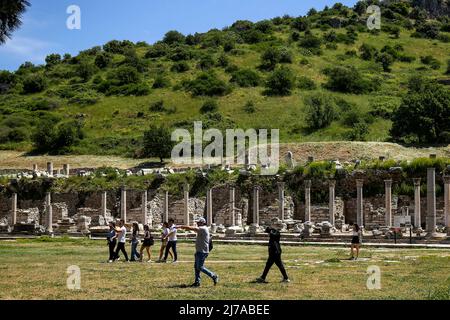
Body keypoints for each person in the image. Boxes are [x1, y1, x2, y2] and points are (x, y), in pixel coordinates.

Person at [178, 218, 218, 287]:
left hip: (202, 251)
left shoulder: (203, 228)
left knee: (200, 267)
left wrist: (181, 226)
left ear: (202, 223)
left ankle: (214, 275)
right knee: (196, 267)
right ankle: (197, 282)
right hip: (199, 251)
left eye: (198, 222)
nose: (197, 223)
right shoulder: (202, 228)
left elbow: (191, 228)